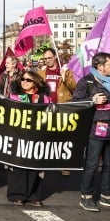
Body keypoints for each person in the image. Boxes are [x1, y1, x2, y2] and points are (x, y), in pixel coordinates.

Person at [73, 52, 110, 212]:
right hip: (95, 130)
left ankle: (107, 195)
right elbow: (75, 102)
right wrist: (92, 101)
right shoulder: (87, 82)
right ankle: (86, 196)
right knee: (92, 164)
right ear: (100, 66)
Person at [7, 70, 49, 206]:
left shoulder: (44, 98)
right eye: (22, 79)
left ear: (36, 82)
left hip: (37, 136)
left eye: (28, 80)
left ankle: (33, 195)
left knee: (35, 166)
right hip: (19, 135)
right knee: (19, 165)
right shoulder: (15, 97)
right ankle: (17, 194)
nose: (24, 82)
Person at [38, 48, 76, 177]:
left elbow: (74, 88)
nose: (47, 60)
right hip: (47, 108)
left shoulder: (65, 70)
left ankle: (64, 164)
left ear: (55, 57)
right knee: (44, 137)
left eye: (49, 57)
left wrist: (66, 77)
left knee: (63, 137)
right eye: (45, 58)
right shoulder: (42, 72)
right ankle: (41, 164)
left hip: (62, 107)